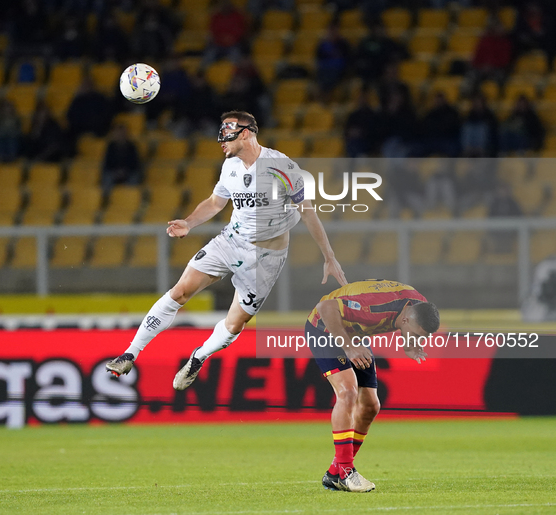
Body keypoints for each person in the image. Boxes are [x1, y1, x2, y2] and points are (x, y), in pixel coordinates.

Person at [106, 110, 347, 389]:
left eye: (226, 134)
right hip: (231, 241)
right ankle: (130, 353)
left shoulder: (282, 166)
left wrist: (329, 257)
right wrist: (189, 222)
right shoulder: (230, 166)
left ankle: (199, 356)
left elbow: (307, 212)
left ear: (245, 133)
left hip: (266, 258)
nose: (221, 140)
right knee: (180, 291)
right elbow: (215, 202)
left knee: (234, 325)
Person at [306, 279, 440, 492]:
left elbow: (412, 327)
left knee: (370, 406)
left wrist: (410, 345)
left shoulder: (419, 308)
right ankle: (347, 472)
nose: (417, 340)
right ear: (405, 319)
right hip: (326, 327)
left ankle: (334, 473)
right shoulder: (374, 308)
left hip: (356, 334)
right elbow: (326, 308)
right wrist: (349, 348)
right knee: (348, 391)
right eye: (415, 335)